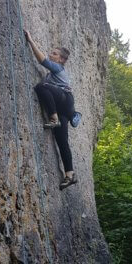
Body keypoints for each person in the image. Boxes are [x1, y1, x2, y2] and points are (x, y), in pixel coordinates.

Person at [24, 30, 77, 190]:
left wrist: (31, 41)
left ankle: (53, 119)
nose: (50, 54)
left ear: (61, 59)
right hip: (65, 108)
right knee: (62, 140)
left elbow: (42, 61)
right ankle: (70, 175)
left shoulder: (58, 69)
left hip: (65, 99)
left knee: (41, 86)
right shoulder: (53, 74)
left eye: (54, 54)